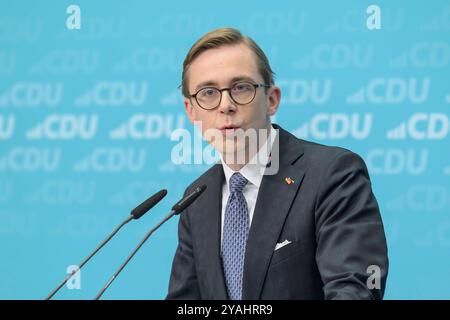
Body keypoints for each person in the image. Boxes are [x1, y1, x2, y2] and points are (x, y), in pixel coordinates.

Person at [166, 27, 388, 300]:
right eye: (208, 92)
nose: (226, 105)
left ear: (272, 100)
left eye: (241, 88)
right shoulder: (197, 197)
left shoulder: (333, 174)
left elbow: (357, 288)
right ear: (191, 111)